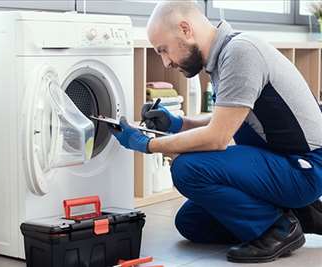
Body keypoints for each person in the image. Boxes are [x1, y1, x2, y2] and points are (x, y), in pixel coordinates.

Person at [110, 0, 322, 263]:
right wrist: (176, 123)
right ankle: (302, 213)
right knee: (191, 222)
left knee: (187, 168)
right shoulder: (224, 56)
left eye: (164, 50)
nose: (165, 62)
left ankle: (278, 228)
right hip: (280, 162)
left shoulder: (241, 52)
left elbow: (217, 137)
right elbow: (231, 118)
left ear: (186, 29)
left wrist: (145, 144)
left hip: (304, 168)